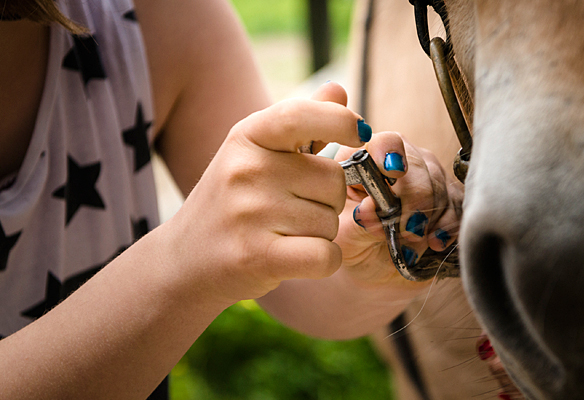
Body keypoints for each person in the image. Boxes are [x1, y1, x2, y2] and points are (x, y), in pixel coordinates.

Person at [0, 0, 461, 398]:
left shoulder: (155, 17)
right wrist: (182, 265)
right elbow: (210, 253)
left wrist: (368, 259)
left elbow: (299, 288)